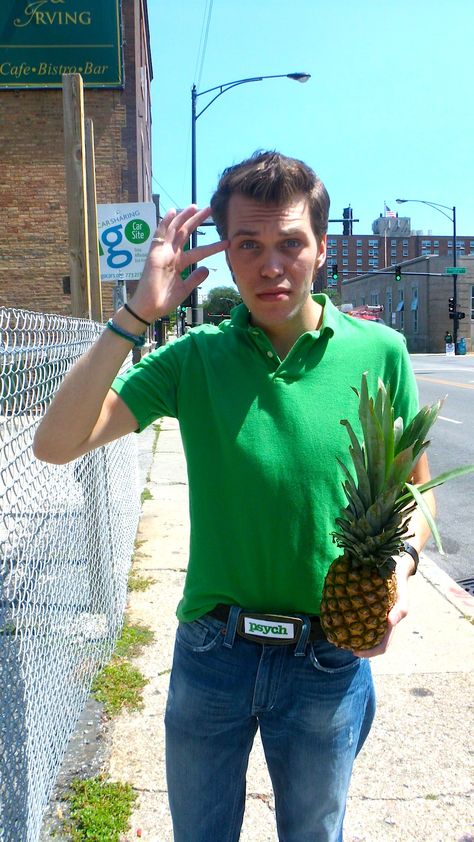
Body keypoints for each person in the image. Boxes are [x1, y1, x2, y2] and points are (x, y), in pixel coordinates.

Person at [34, 151, 435, 842]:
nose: (270, 266)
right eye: (248, 245)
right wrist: (137, 312)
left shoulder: (382, 351)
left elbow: (416, 490)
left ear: (321, 247)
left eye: (290, 243)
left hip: (329, 656)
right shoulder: (195, 359)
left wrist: (398, 569)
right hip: (213, 653)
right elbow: (56, 443)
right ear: (224, 253)